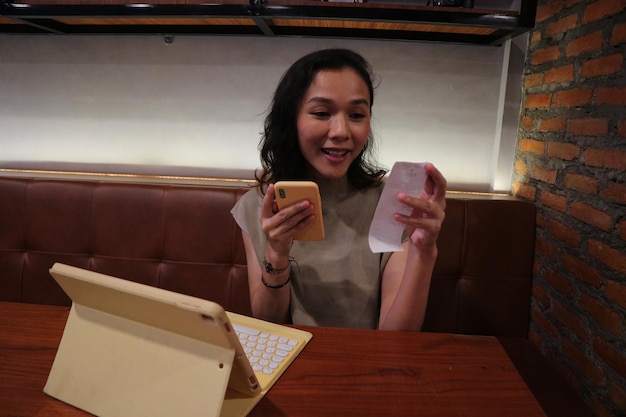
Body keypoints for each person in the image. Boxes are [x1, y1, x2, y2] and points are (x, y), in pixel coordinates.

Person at [231, 48, 446, 331]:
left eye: (357, 115)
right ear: (290, 120)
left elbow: (397, 336)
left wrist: (424, 250)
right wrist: (277, 253)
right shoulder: (258, 205)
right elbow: (268, 323)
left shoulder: (392, 204)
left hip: (367, 362)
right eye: (322, 112)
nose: (341, 131)